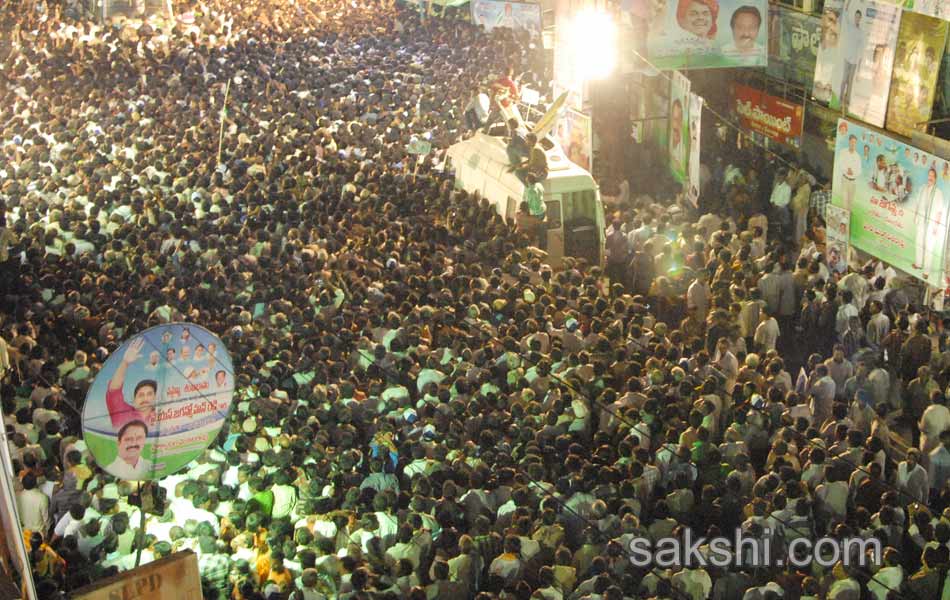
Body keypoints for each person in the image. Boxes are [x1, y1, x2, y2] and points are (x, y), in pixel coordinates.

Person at [105, 337, 158, 429]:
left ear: (155, 398)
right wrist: (125, 363)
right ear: (134, 400)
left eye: (149, 394)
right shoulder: (122, 411)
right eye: (141, 395)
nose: (145, 398)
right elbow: (114, 391)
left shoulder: (163, 417)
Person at [912, 167, 947, 281]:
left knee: (929, 247)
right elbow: (917, 203)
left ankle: (926, 271)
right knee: (918, 242)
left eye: (932, 176)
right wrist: (915, 215)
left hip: (932, 223)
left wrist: (936, 225)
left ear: (935, 179)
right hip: (921, 221)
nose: (930, 178)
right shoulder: (922, 188)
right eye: (929, 175)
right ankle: (918, 263)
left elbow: (940, 212)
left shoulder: (938, 193)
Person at [837, 134, 862, 212]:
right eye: (852, 142)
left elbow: (859, 170)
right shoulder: (843, 152)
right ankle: (843, 221)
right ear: (849, 142)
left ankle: (848, 221)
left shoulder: (858, 156)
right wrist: (847, 170)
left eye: (854, 142)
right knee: (844, 202)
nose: (853, 144)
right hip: (845, 179)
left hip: (853, 182)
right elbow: (840, 163)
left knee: (850, 203)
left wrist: (853, 172)